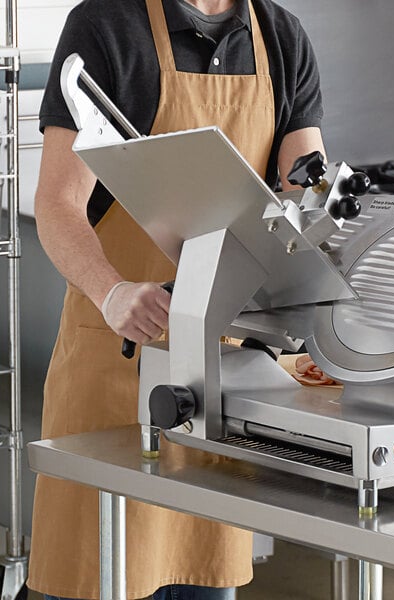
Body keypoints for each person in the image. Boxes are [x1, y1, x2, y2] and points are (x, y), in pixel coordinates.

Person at [28, 0, 326, 598]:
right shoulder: (106, 26)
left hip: (216, 386)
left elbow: (304, 193)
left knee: (201, 577)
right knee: (95, 569)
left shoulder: (281, 36)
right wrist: (111, 291)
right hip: (114, 365)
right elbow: (57, 204)